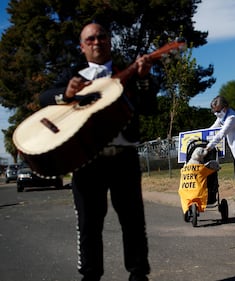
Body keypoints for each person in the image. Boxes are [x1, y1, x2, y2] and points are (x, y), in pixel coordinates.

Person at [40, 23, 158, 281]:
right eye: (90, 39)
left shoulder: (128, 72)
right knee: (88, 224)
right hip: (85, 160)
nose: (97, 41)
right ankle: (90, 276)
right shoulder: (74, 74)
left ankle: (138, 274)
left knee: (133, 221)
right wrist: (66, 93)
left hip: (124, 157)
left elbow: (149, 107)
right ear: (82, 47)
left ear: (109, 42)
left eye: (102, 36)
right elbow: (44, 98)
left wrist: (146, 78)